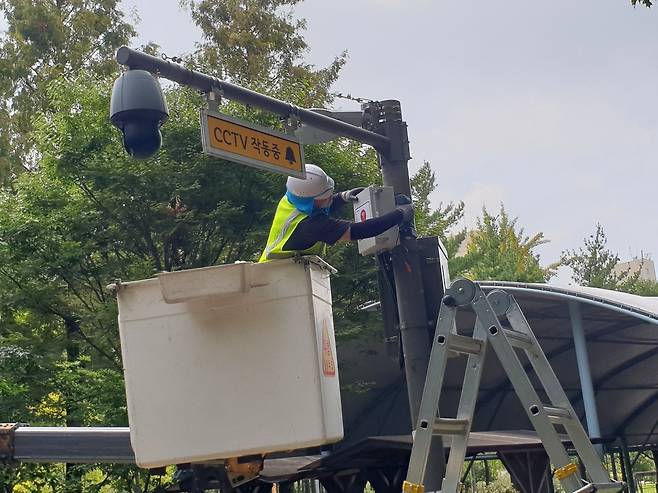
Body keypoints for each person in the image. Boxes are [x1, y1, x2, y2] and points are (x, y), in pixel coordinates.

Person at [259, 163, 413, 262]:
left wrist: (342, 197)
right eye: (326, 197)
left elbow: (315, 211)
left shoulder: (292, 198)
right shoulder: (311, 227)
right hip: (276, 282)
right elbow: (361, 230)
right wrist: (400, 214)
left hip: (276, 275)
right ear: (312, 201)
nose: (329, 199)